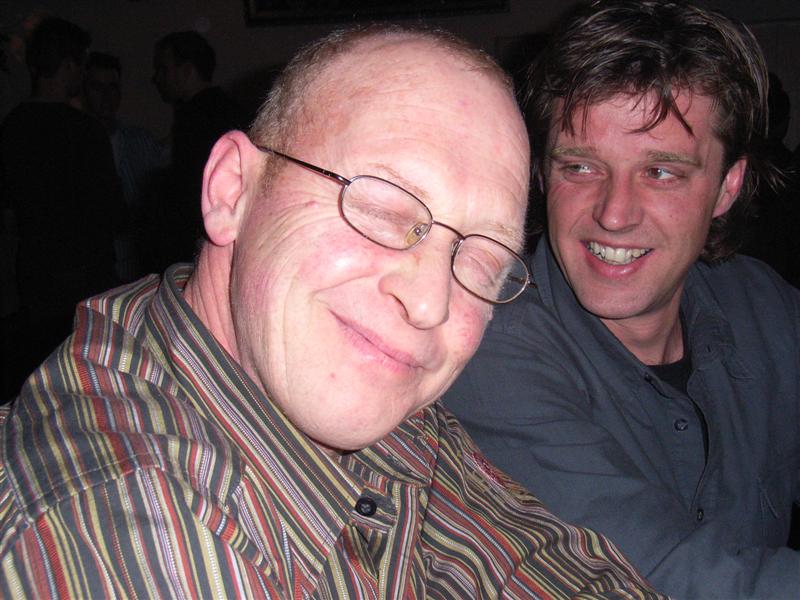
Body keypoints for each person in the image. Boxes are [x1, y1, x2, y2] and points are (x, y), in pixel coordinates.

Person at [0, 25, 663, 598]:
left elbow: (544, 564)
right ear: (232, 191)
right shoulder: (121, 520)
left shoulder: (362, 387)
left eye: (482, 262)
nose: (429, 302)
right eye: (382, 208)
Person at [446, 1, 800, 598]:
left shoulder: (763, 306)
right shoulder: (490, 345)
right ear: (542, 174)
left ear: (727, 187)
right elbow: (661, 578)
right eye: (580, 167)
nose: (614, 214)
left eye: (661, 173)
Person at [0, 18, 125, 394]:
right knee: (87, 387)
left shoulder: (12, 127)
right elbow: (112, 211)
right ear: (70, 66)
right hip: (86, 283)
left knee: (39, 387)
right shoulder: (85, 131)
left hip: (36, 281)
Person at [150, 30, 247, 269]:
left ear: (187, 70)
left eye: (164, 69)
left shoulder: (195, 118)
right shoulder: (226, 108)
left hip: (202, 239)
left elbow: (188, 189)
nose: (157, 78)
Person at [84, 51, 165, 281]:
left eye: (112, 87)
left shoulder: (141, 141)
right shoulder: (77, 146)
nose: (106, 96)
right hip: (93, 263)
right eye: (97, 87)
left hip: (137, 262)